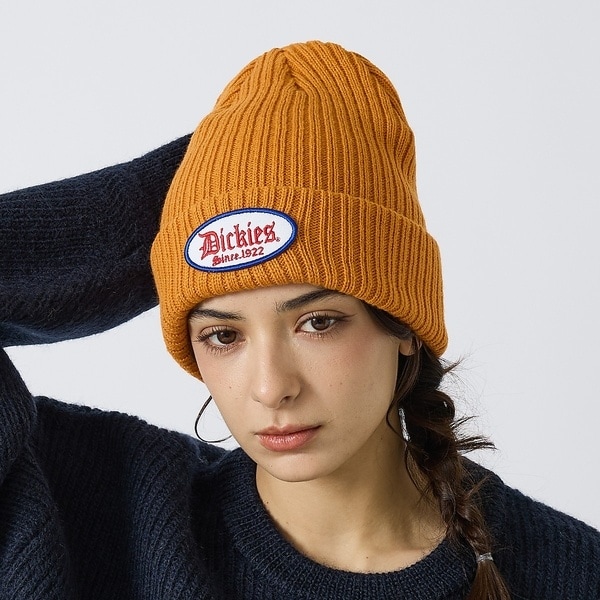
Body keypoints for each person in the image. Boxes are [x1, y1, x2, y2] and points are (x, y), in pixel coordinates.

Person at [0, 41, 598, 600]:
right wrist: (154, 206)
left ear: (403, 324)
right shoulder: (107, 507)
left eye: (317, 323)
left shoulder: (569, 572)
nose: (271, 387)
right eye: (223, 335)